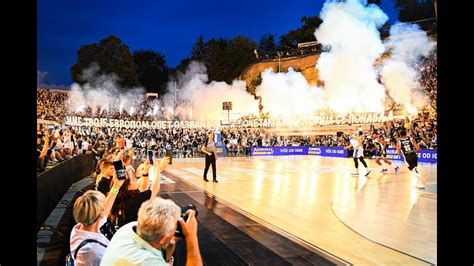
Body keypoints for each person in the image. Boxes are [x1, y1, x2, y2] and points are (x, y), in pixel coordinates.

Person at [101, 197, 202, 266]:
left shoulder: (128, 228)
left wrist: (172, 240)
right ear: (162, 239)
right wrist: (191, 237)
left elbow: (164, 258)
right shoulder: (147, 262)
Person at [69, 173, 125, 266]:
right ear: (100, 213)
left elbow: (105, 209)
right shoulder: (93, 251)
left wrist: (116, 186)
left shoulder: (82, 225)